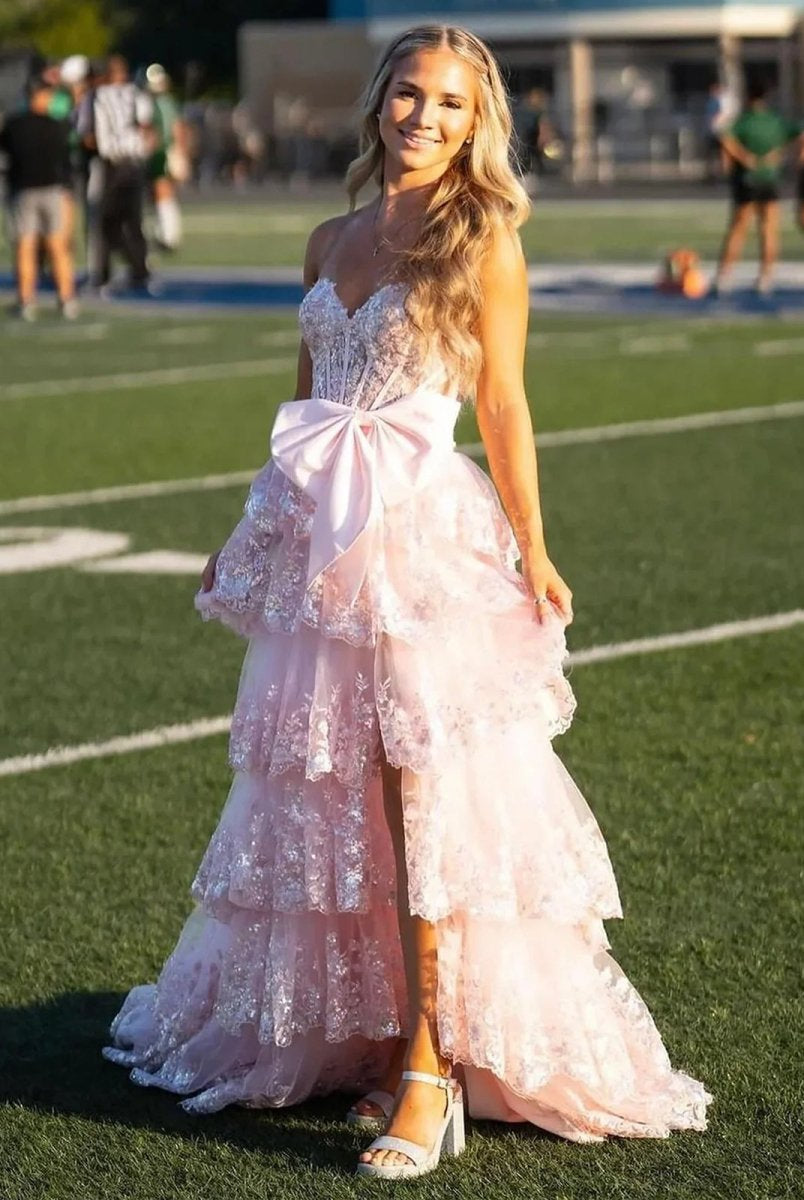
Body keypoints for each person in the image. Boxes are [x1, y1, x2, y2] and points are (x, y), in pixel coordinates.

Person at [101, 23, 713, 1180]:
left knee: (424, 805)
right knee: (334, 809)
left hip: (424, 544)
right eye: (408, 94)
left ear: (476, 123)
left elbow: (507, 410)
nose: (423, 117)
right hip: (323, 557)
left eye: (449, 103)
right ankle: (382, 1037)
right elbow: (301, 417)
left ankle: (433, 1071)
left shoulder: (480, 240)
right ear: (378, 101)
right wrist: (246, 538)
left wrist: (533, 550)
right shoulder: (326, 238)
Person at [713, 77, 803, 296]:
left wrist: (745, 157)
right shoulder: (775, 121)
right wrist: (783, 154)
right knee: (769, 228)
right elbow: (799, 134)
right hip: (770, 179)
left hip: (747, 179)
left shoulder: (743, 120)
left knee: (738, 228)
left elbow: (724, 136)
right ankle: (766, 276)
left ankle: (725, 275)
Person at [0, 75, 78, 319]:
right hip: (53, 191)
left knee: (26, 246)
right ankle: (66, 299)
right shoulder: (58, 126)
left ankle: (27, 300)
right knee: (56, 246)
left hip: (24, 192)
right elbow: (68, 164)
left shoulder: (14, 125)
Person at [82, 53, 153, 292]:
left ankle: (105, 274)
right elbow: (147, 131)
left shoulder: (96, 97)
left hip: (110, 164)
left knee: (105, 222)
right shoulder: (137, 96)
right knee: (133, 221)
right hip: (133, 163)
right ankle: (139, 270)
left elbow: (88, 136)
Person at [143, 62, 188, 252]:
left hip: (163, 151)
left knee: (161, 192)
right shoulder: (168, 102)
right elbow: (179, 128)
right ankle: (169, 232)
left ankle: (167, 235)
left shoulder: (156, 104)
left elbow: (158, 131)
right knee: (166, 194)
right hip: (171, 150)